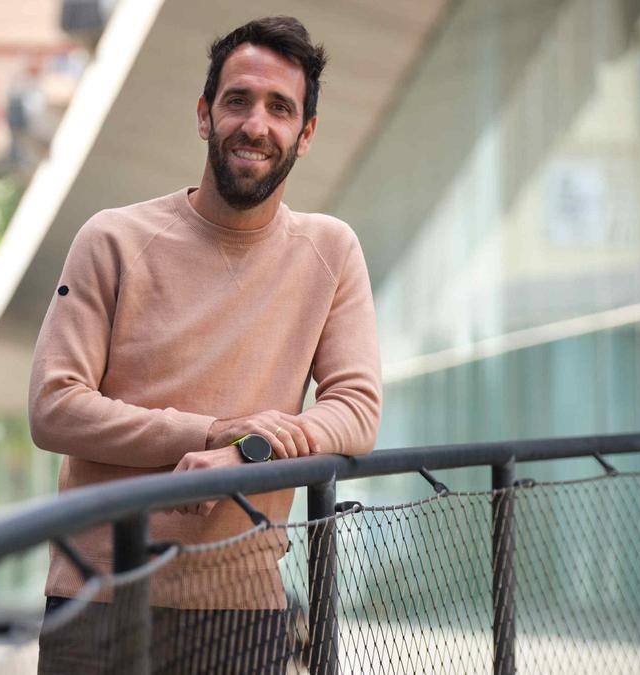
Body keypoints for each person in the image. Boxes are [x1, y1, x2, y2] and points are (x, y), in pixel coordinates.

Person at [28, 15, 382, 673]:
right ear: (203, 114)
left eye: (280, 108)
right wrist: (214, 430)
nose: (256, 123)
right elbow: (54, 407)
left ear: (305, 135)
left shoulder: (330, 251)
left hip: (243, 609)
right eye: (237, 100)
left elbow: (357, 410)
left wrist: (247, 453)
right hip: (99, 596)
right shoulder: (111, 240)